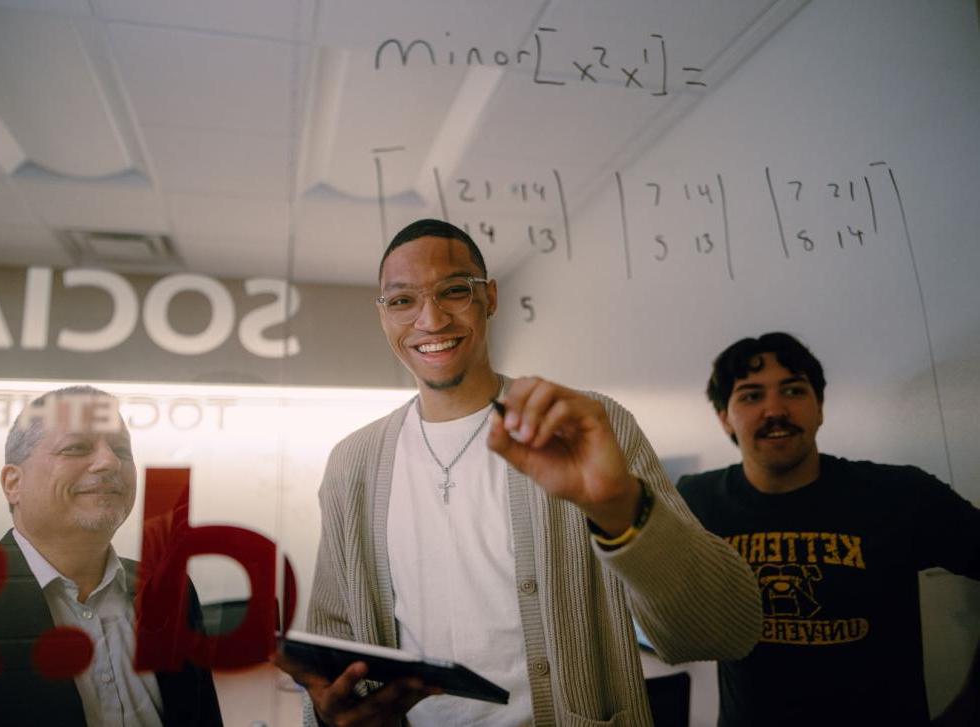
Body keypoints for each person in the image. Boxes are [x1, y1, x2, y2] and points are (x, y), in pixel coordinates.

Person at [276, 218, 761, 726]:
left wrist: (619, 509)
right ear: (383, 316)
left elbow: (725, 631)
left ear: (489, 298)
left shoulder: (585, 427)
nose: (430, 319)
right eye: (402, 301)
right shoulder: (353, 462)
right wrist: (329, 713)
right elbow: (333, 648)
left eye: (454, 291)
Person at [676, 332, 980, 727]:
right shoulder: (694, 501)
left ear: (819, 407)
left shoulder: (900, 494)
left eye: (793, 390)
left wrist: (970, 705)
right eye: (751, 396)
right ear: (724, 418)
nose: (775, 410)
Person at [0, 385, 223, 726]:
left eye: (122, 450)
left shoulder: (171, 594)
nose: (110, 461)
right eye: (76, 447)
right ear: (13, 483)